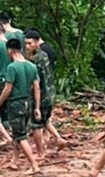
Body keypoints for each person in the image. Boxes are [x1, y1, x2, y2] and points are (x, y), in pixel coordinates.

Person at [0, 38, 41, 173]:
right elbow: (36, 88)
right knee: (18, 133)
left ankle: (34, 165)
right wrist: (37, 107)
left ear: (10, 50)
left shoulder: (12, 67)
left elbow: (7, 89)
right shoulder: (32, 66)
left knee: (21, 136)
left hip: (16, 104)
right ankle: (14, 160)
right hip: (28, 102)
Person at [25, 28, 66, 158]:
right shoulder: (44, 55)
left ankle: (40, 153)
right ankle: (59, 139)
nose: (27, 46)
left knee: (36, 125)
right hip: (50, 93)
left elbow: (34, 83)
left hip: (41, 96)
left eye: (30, 43)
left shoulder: (34, 60)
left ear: (37, 42)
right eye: (26, 43)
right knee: (46, 121)